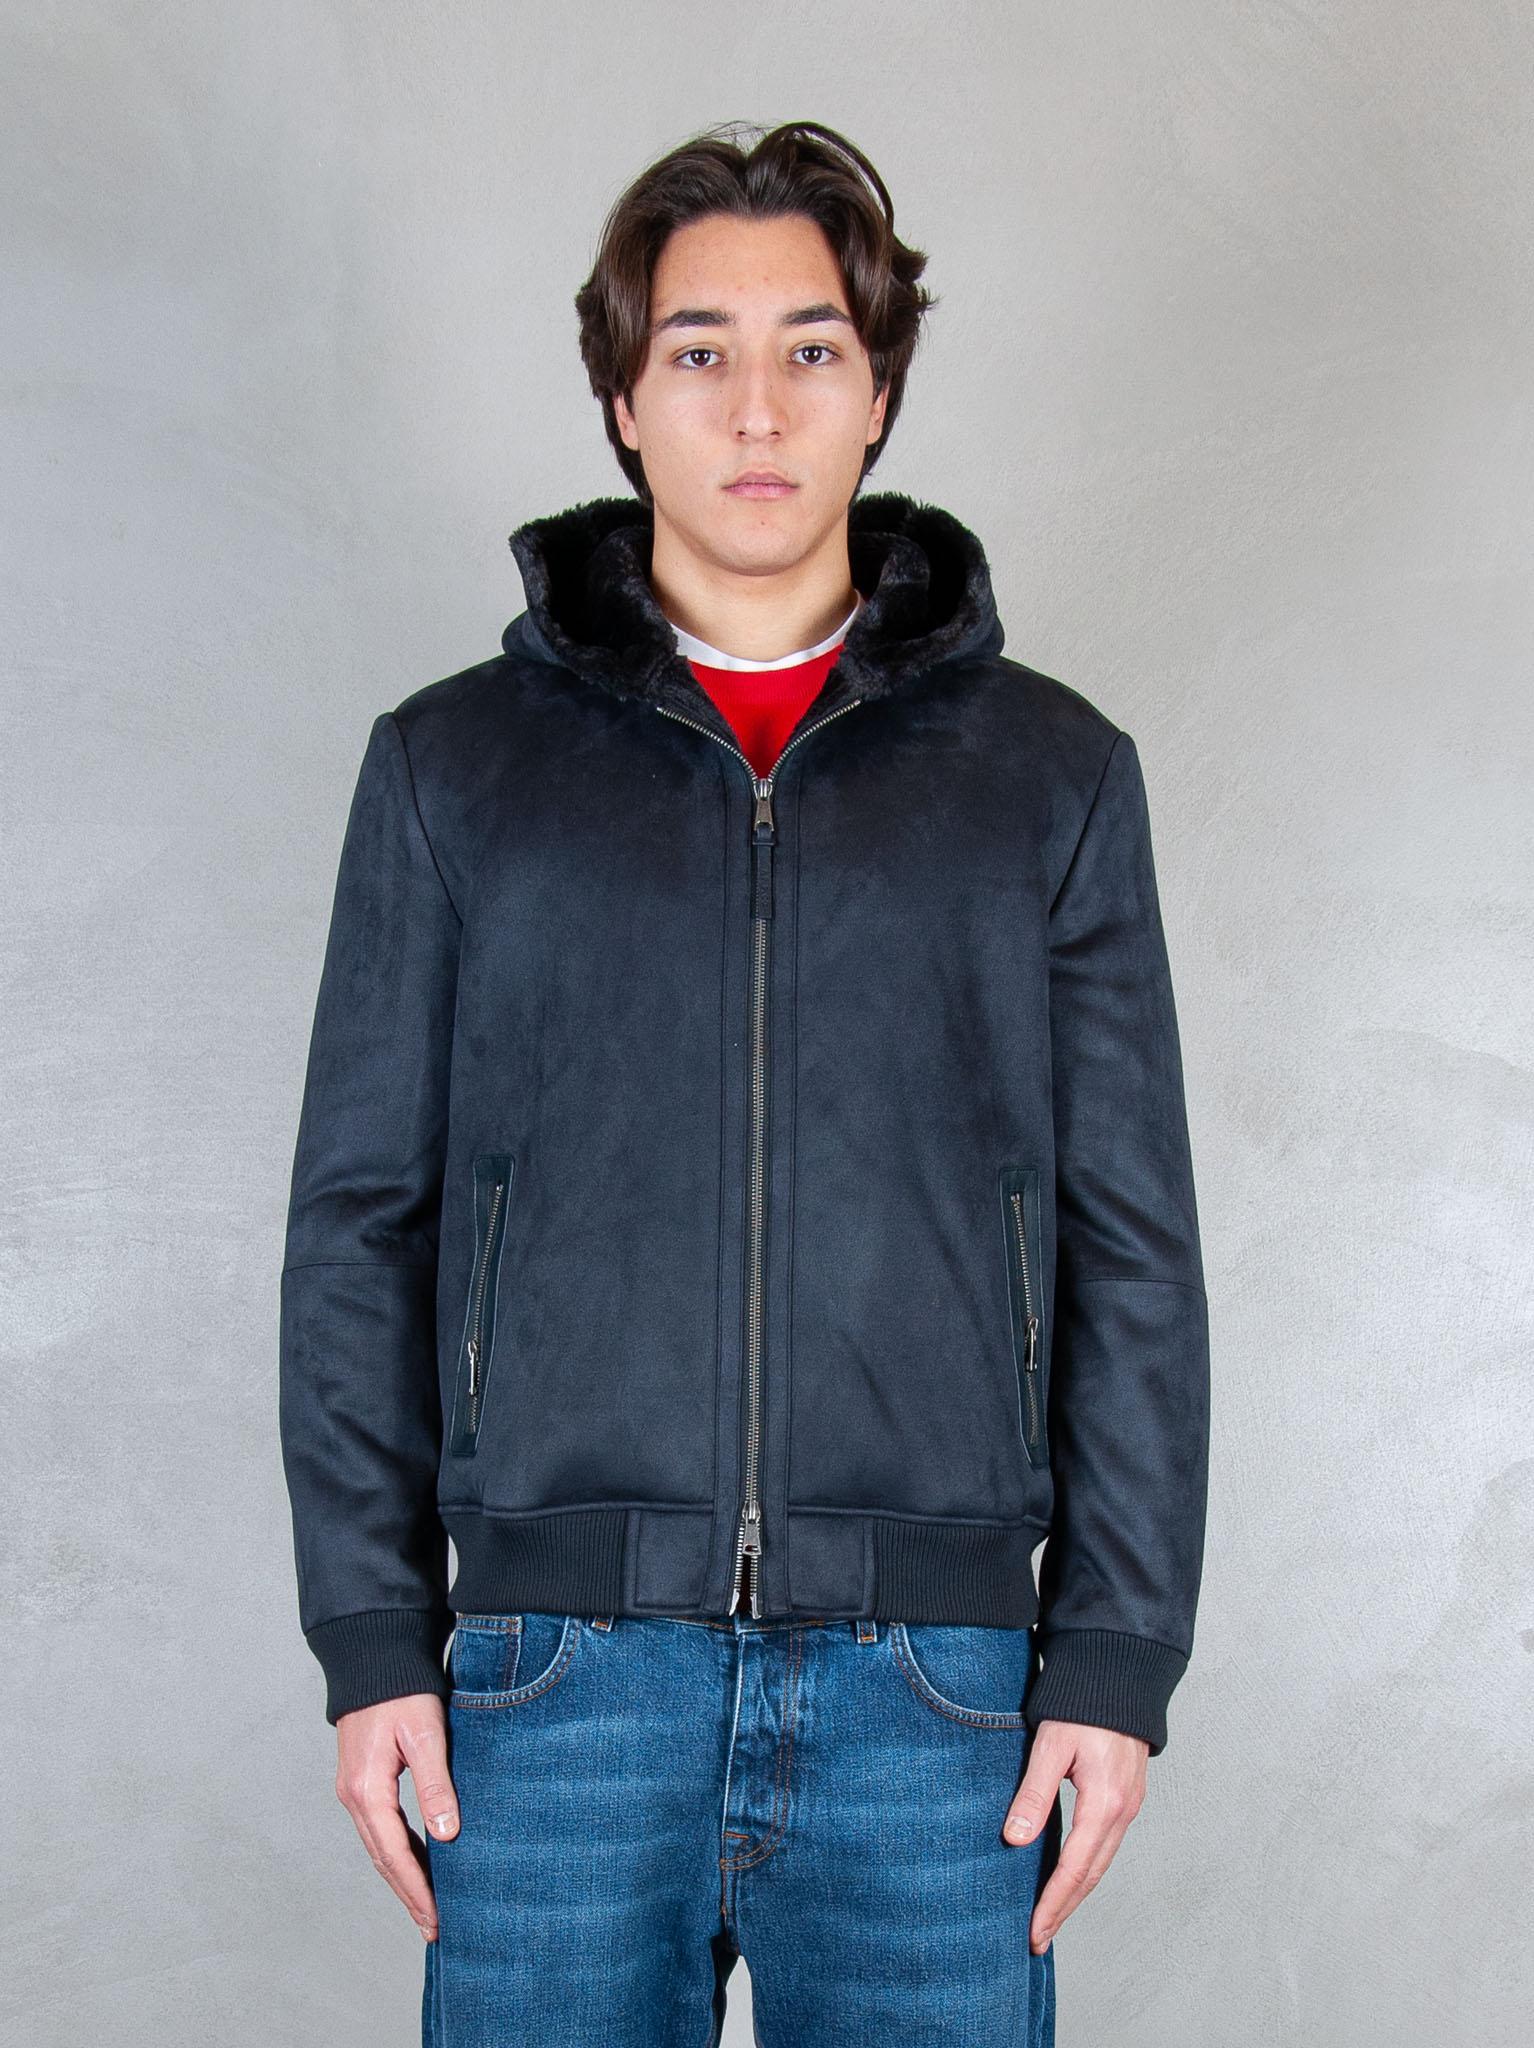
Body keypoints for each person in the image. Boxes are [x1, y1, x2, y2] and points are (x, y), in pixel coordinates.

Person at [278, 118, 1210, 2048]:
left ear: (879, 395)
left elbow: (1130, 1246)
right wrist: (372, 1638)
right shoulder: (452, 770)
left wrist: (1113, 1655)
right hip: (547, 1684)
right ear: (625, 401)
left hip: (941, 1698)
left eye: (811, 349)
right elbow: (362, 1224)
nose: (757, 405)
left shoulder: (1049, 778)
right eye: (698, 350)